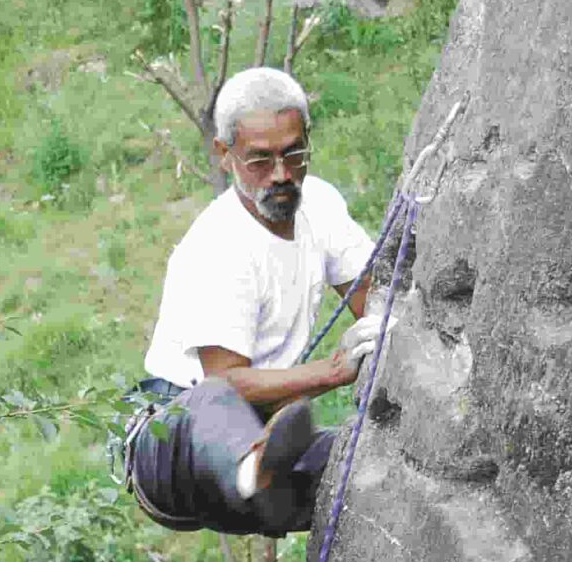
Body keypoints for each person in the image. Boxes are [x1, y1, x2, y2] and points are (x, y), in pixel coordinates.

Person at [124, 67, 389, 536]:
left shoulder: (321, 206)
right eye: (260, 162)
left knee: (365, 464)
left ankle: (271, 487)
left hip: (251, 455)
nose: (282, 175)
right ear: (224, 155)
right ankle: (256, 472)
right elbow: (227, 380)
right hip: (175, 444)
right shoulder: (218, 245)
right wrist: (334, 371)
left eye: (294, 154)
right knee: (213, 398)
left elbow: (376, 297)